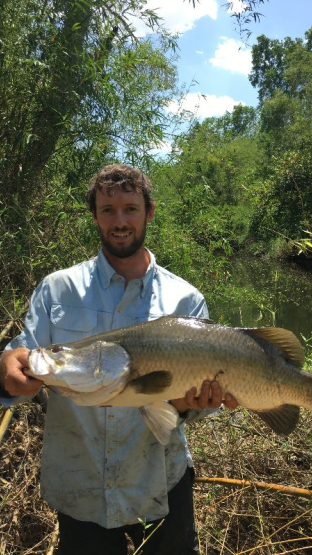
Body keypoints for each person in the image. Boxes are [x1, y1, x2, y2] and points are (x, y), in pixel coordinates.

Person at [0, 164, 238, 555]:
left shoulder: (185, 300)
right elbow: (24, 355)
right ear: (94, 215)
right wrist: (7, 369)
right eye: (108, 210)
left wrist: (189, 406)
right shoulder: (56, 290)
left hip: (161, 483)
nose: (120, 220)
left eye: (130, 208)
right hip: (81, 486)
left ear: (149, 211)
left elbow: (191, 406)